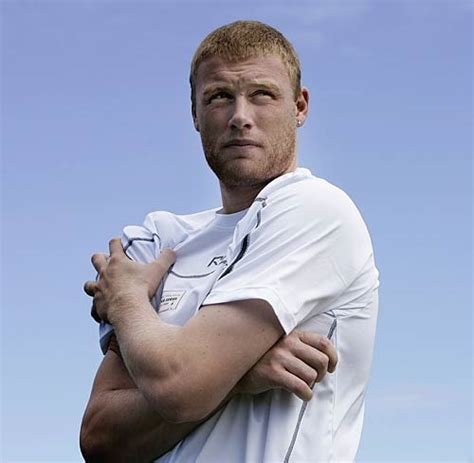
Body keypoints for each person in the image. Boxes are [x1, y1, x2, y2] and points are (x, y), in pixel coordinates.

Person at [80, 20, 379, 462]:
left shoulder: (316, 210)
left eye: (262, 93)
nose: (241, 116)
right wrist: (236, 377)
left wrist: (127, 303)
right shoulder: (161, 239)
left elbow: (179, 386)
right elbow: (100, 438)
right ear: (195, 114)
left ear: (300, 106)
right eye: (219, 96)